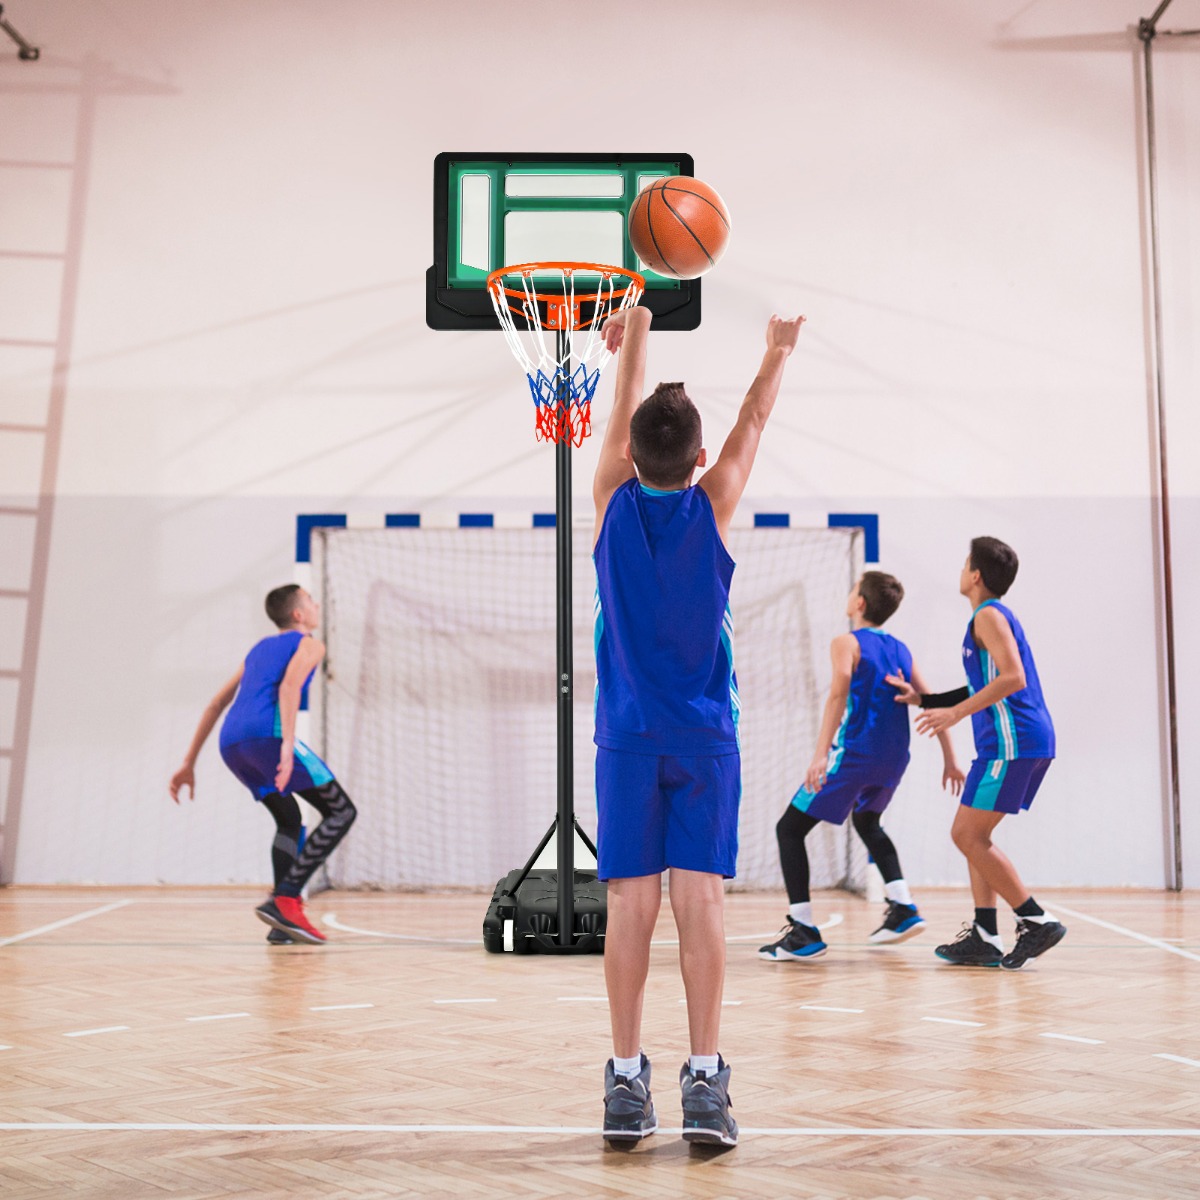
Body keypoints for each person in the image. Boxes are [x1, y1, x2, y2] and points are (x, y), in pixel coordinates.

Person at [591, 303, 805, 1147]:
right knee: (701, 903)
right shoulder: (714, 502)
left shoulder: (608, 498)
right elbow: (755, 417)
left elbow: (625, 407)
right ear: (700, 459)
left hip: (627, 737)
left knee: (630, 908)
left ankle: (623, 1080)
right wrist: (777, 352)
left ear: (632, 455)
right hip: (707, 738)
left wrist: (636, 326)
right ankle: (707, 1082)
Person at [760, 572, 963, 962]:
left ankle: (802, 929)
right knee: (867, 822)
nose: (848, 593)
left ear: (860, 603)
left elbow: (838, 693)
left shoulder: (845, 642)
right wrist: (950, 758)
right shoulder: (901, 649)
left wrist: (820, 754)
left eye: (852, 589)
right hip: (893, 757)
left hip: (855, 754)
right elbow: (932, 700)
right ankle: (902, 905)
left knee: (789, 829)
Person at [887, 537, 1066, 970]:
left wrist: (955, 715)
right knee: (975, 836)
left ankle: (1035, 919)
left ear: (976, 575)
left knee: (966, 835)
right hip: (1012, 741)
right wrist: (927, 701)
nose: (961, 568)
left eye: (965, 562)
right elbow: (985, 681)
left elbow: (1013, 678)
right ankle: (985, 934)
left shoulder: (988, 616)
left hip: (1013, 741)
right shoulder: (990, 618)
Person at [169, 584, 357, 945]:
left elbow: (215, 703)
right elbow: (288, 689)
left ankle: (280, 926)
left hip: (232, 743)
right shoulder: (311, 643)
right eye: (311, 601)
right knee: (342, 812)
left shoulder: (257, 649)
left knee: (289, 821)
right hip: (266, 738)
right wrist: (286, 748)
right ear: (299, 615)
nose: (317, 605)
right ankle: (285, 899)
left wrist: (188, 763)